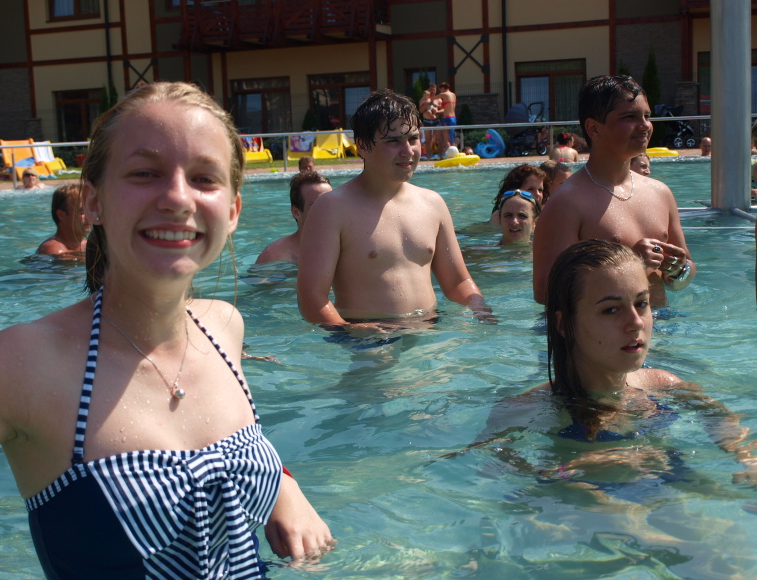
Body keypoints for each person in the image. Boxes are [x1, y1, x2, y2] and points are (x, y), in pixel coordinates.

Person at [0, 82, 333, 580]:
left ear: (232, 211)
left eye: (204, 178)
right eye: (144, 173)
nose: (177, 197)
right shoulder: (20, 366)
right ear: (93, 201)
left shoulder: (224, 326)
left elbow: (223, 444)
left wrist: (283, 484)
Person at [464, 240, 757, 486]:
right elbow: (481, 471)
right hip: (581, 516)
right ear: (564, 325)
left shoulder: (664, 384)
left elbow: (718, 417)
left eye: (641, 304)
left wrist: (745, 457)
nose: (635, 322)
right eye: (611, 310)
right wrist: (570, 471)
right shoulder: (522, 410)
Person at [296, 88, 490, 327]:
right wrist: (350, 332)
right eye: (393, 141)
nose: (408, 151)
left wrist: (480, 308)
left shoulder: (433, 204)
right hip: (366, 338)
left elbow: (457, 282)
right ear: (362, 146)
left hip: (431, 333)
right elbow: (311, 296)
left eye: (413, 139)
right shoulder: (332, 208)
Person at [533, 75, 695, 306]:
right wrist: (631, 265)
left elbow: (686, 272)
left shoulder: (660, 193)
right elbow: (544, 291)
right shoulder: (567, 203)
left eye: (647, 116)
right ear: (593, 128)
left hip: (663, 321)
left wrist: (679, 271)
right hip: (601, 328)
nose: (645, 126)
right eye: (629, 117)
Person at [256, 170, 332, 264]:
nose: (328, 210)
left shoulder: (345, 247)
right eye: (318, 205)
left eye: (330, 203)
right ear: (296, 212)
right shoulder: (275, 256)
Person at [36, 183, 90, 257]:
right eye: (81, 211)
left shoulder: (87, 245)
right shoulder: (54, 250)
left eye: (89, 209)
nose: (89, 216)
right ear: (61, 215)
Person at [419, 82, 443, 160]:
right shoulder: (424, 99)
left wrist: (437, 111)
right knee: (428, 140)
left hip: (436, 120)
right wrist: (428, 104)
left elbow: (443, 109)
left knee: (439, 139)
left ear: (436, 90)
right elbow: (421, 110)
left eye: (434, 89)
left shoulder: (438, 99)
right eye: (431, 89)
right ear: (428, 90)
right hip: (427, 121)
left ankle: (441, 156)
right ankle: (428, 157)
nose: (432, 91)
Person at [435, 82, 457, 155]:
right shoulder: (453, 94)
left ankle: (450, 154)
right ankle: (455, 153)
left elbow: (432, 98)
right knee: (452, 137)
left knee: (446, 138)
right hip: (453, 117)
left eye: (440, 89)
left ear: (442, 88)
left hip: (446, 118)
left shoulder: (444, 94)